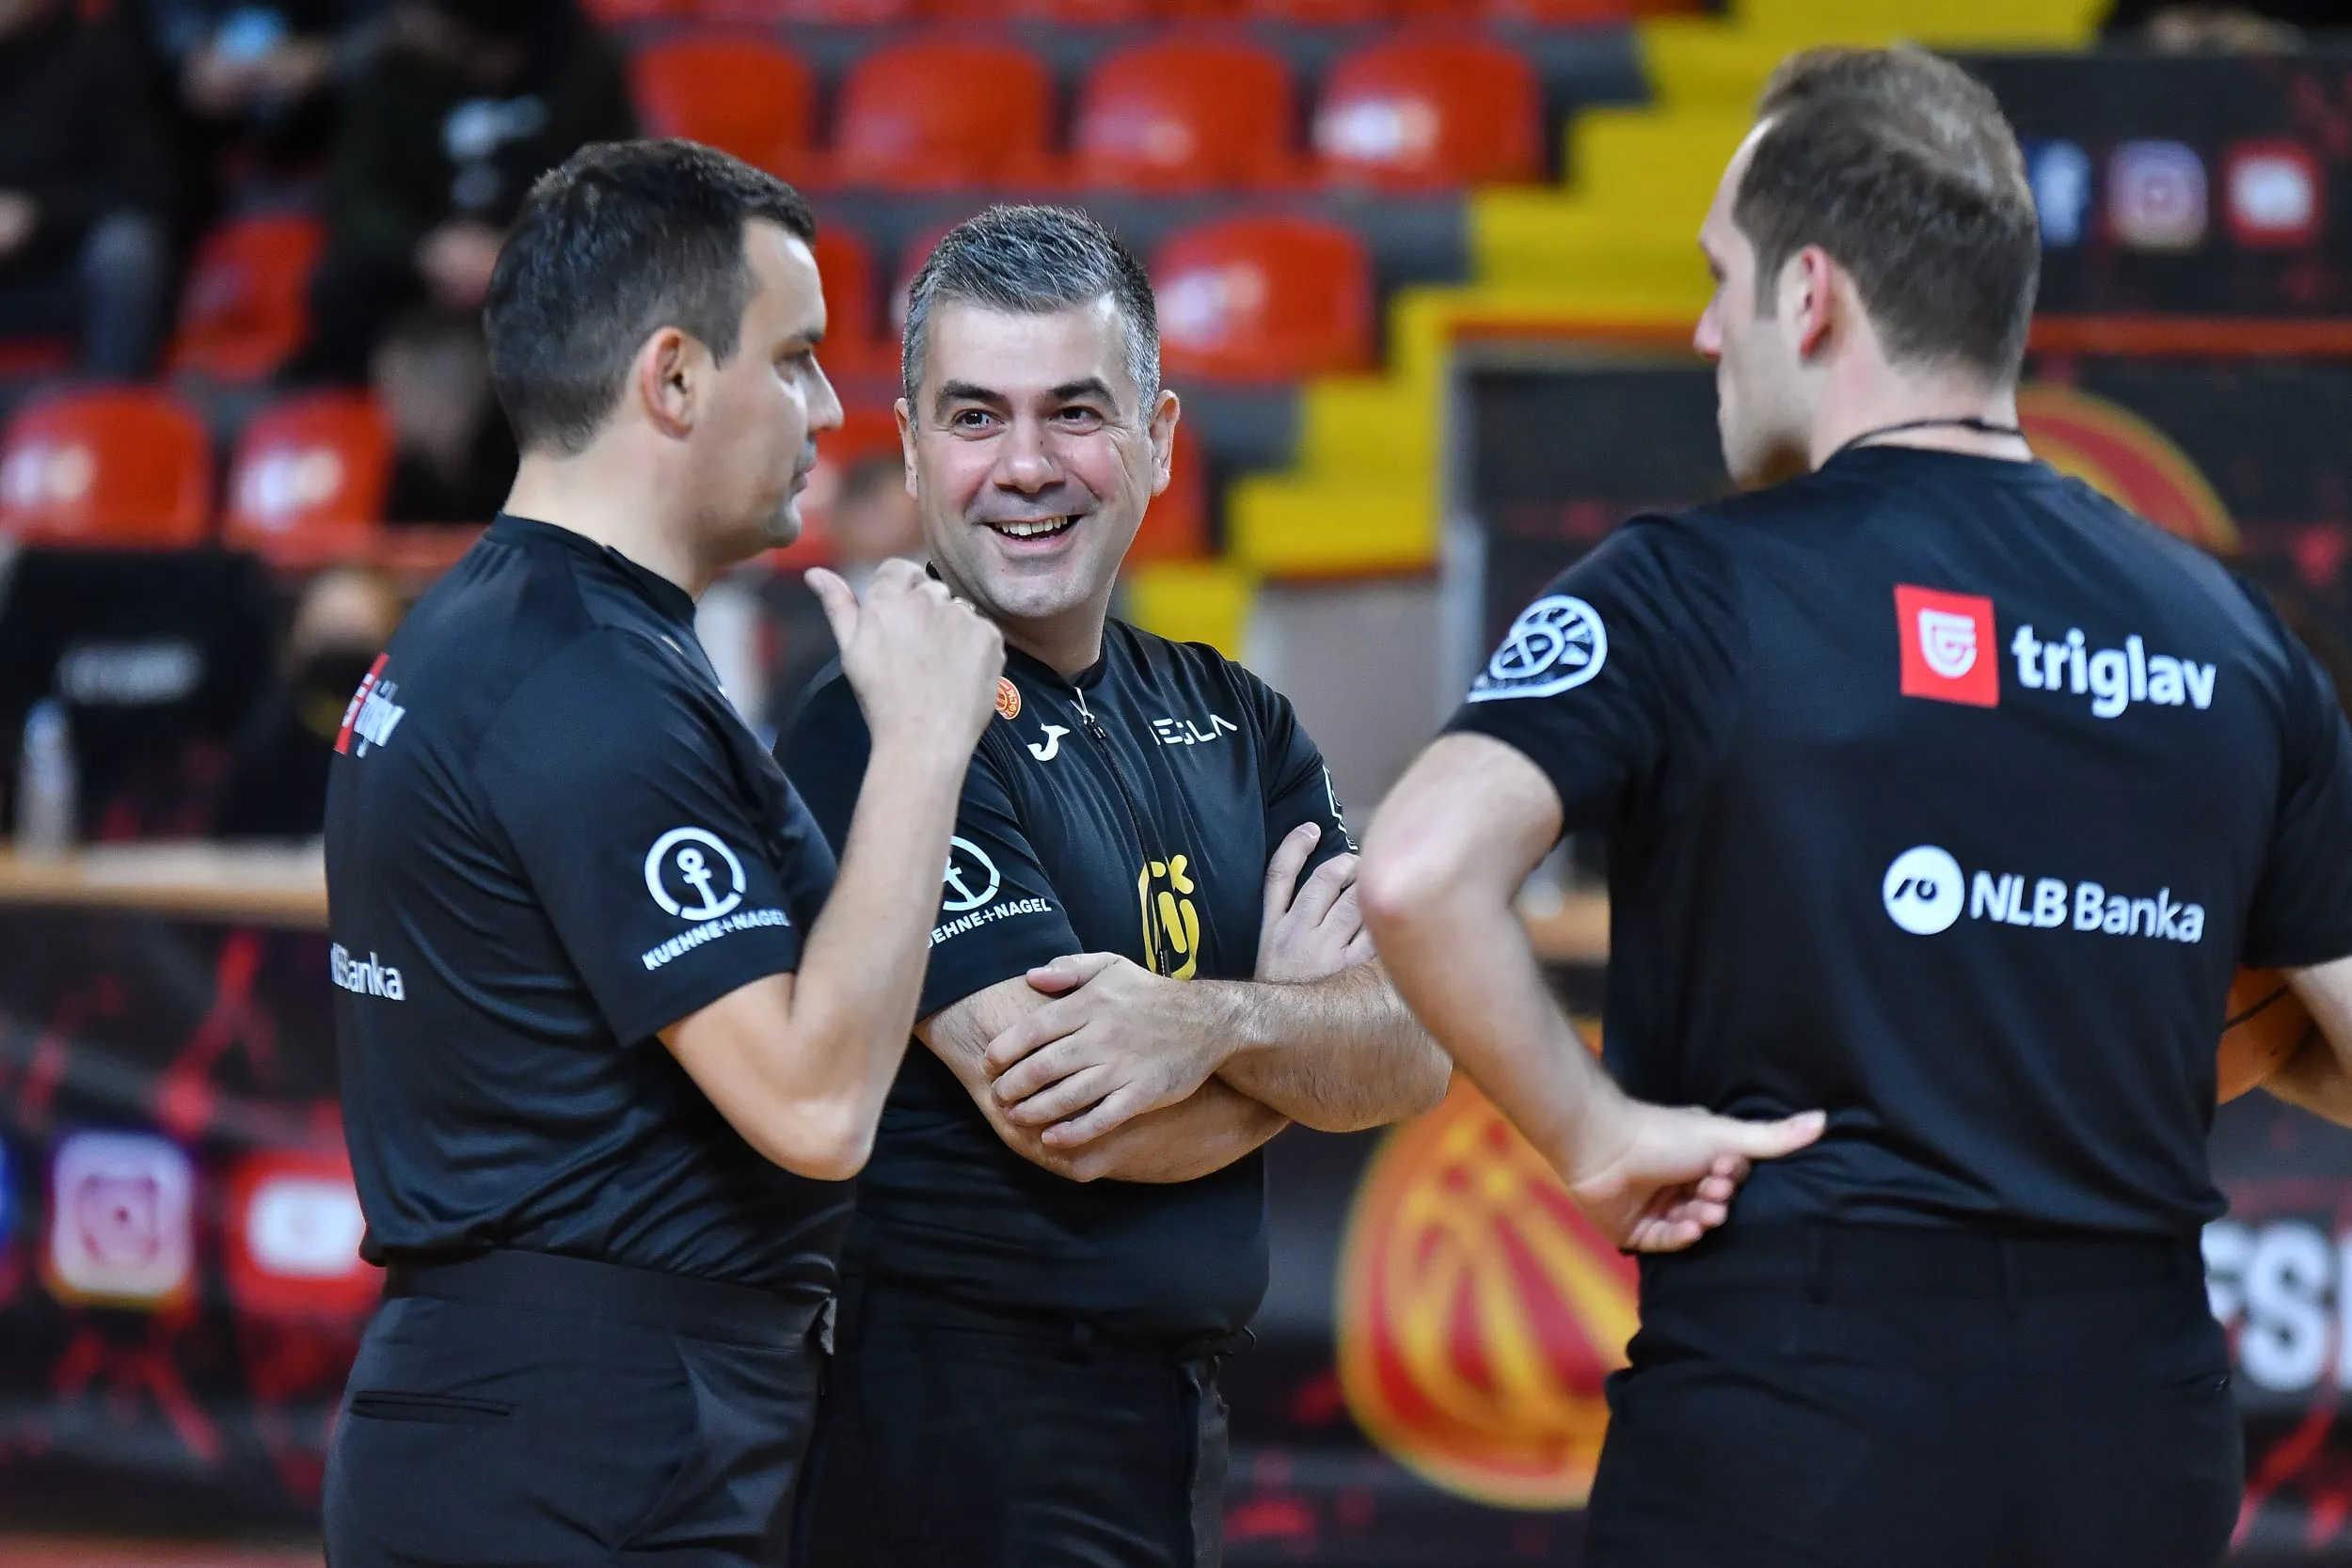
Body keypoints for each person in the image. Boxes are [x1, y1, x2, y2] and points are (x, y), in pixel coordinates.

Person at [1360, 45, 2352, 1568]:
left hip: (1804, 1402)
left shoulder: (1687, 587)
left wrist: (1591, 1129)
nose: (1707, 330)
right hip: (2138, 1416)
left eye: (1723, 280)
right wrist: (2144, 1050)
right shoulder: (2234, 637)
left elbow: (1420, 870)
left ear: (1810, 294)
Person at [320, 140, 1003, 1568]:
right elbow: (814, 1103)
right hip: (584, 1441)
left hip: (557, 1417)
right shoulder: (587, 685)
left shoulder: (506, 629)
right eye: (797, 359)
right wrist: (924, 742)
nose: (828, 410)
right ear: (675, 379)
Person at [784, 204, 1453, 1568]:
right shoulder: (881, 718)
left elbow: (1419, 1046)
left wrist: (1209, 1022)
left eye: (1075, 412)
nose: (1027, 465)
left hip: (1171, 1420)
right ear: (909, 448)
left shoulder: (1240, 716)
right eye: (975, 416)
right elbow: (1063, 1106)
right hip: (951, 1452)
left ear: (1158, 437)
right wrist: (1295, 1035)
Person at [285, 0, 634, 388]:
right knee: (342, 286)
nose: (411, 22)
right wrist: (424, 247)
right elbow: (354, 194)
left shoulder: (587, 67)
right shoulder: (401, 70)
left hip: (541, 264)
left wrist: (517, 251)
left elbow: (613, 193)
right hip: (424, 261)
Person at [0, 0, 171, 378]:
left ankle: (111, 400)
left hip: (60, 272)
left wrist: (33, 214)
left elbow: (144, 188)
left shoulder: (101, 56)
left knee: (127, 248)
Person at [215, 565, 403, 840]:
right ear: (293, 644)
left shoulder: (405, 746)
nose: (342, 659)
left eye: (358, 639)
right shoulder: (266, 747)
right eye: (329, 638)